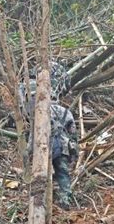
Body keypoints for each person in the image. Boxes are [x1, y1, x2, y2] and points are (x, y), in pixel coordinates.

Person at [19, 63, 78, 210]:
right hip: (63, 147)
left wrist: (29, 149)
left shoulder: (38, 112)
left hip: (43, 146)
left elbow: (33, 132)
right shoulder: (64, 111)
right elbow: (73, 133)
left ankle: (41, 202)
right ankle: (65, 199)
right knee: (62, 174)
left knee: (41, 175)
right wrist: (74, 152)